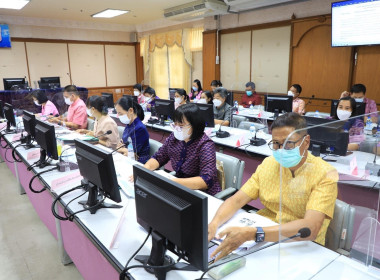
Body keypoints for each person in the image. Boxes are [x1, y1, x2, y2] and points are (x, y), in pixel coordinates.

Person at [208, 113, 338, 261]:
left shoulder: (325, 174)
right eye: (276, 143)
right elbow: (237, 200)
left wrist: (253, 233)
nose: (281, 149)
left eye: (289, 143)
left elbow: (310, 228)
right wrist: (214, 223)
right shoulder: (269, 164)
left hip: (300, 245)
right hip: (262, 237)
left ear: (306, 142)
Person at [144, 103, 221, 195]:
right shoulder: (174, 138)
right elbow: (159, 157)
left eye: (181, 126)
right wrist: (145, 170)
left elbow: (206, 180)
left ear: (195, 125)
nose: (177, 128)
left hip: (202, 193)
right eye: (175, 124)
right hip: (181, 187)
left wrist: (172, 183)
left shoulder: (205, 145)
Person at [115, 97, 150, 164]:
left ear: (131, 110)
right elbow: (123, 146)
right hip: (128, 159)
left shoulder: (140, 128)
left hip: (139, 163)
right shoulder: (129, 124)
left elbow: (133, 153)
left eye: (120, 113)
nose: (119, 116)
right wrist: (124, 149)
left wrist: (123, 149)